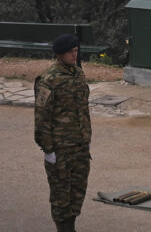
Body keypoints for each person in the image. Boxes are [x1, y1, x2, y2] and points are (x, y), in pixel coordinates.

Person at [34, 34, 91, 232]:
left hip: (80, 146)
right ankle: (63, 229)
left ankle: (71, 226)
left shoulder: (79, 74)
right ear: (60, 54)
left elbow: (83, 109)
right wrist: (48, 149)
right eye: (70, 52)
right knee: (61, 195)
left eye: (76, 51)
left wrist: (86, 138)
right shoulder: (49, 80)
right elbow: (42, 117)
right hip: (60, 148)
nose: (74, 55)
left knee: (78, 191)